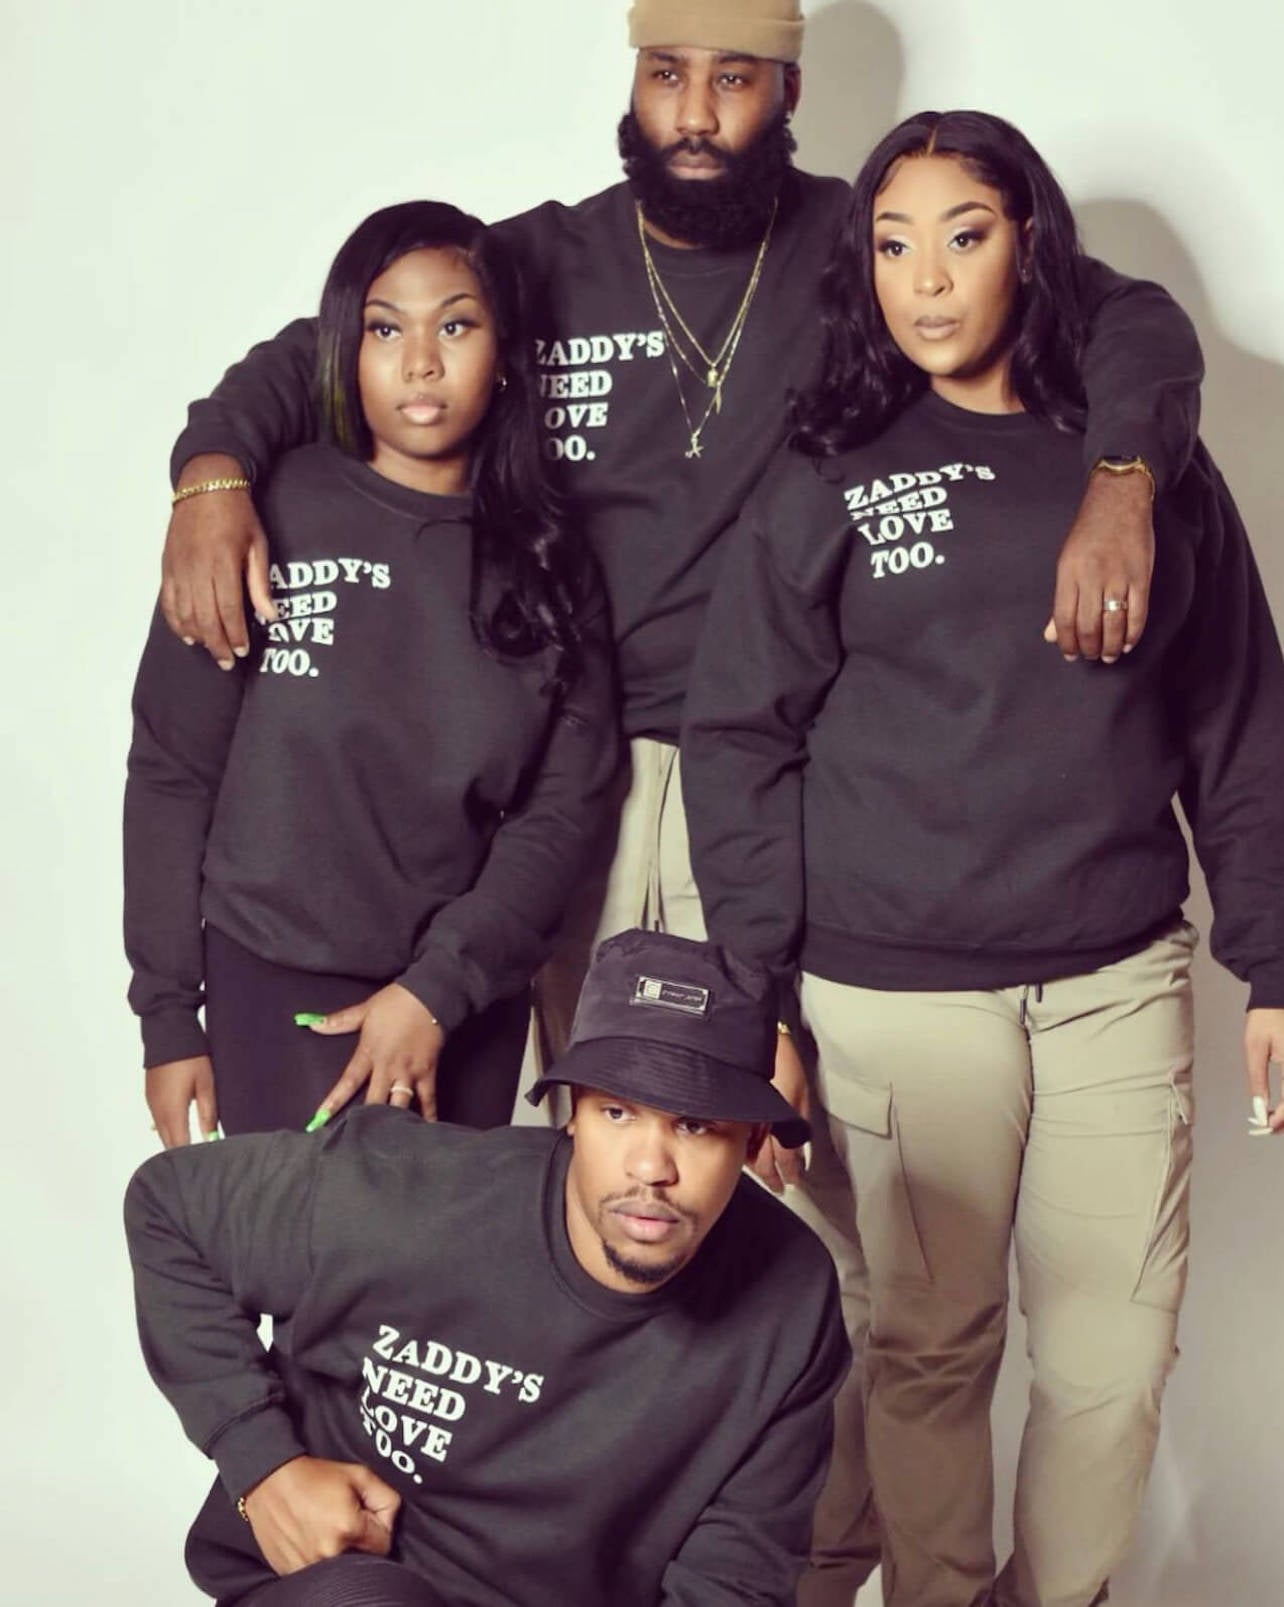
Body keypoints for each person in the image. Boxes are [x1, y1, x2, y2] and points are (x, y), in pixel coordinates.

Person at [150, 3, 1205, 1595]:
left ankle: (812, 1554)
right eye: (667, 75)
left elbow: (1126, 322)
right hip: (564, 779)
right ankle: (515, 1534)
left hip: (772, 772)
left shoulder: (876, 240)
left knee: (792, 1191)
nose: (698, 112)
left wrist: (1126, 478)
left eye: (734, 78)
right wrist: (214, 474)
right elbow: (330, 344)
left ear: (790, 92)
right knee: (573, 1169)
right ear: (629, 87)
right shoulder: (538, 263)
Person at [681, 108, 1284, 1607]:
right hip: (892, 997)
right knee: (926, 1352)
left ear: (1032, 247)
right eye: (892, 242)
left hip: (1111, 983)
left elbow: (1240, 721)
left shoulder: (1141, 464)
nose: (926, 279)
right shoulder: (828, 469)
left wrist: (1276, 955)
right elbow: (740, 734)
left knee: (1114, 1358)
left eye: (967, 234)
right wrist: (757, 988)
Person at [124, 928, 849, 1607]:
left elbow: (735, 1574)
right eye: (619, 1113)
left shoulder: (791, 1299)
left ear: (752, 1137)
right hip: (358, 1583)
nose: (650, 1168)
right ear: (573, 1111)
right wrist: (263, 1466)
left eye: (696, 1125)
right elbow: (168, 1207)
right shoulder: (406, 1193)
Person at [125, 201, 617, 1145]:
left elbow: (564, 813)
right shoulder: (267, 514)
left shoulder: (554, 562)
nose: (420, 362)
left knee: (439, 1282)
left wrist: (437, 990)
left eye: (457, 326)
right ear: (346, 348)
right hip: (265, 977)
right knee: (297, 1277)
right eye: (386, 328)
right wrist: (165, 1017)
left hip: (455, 995)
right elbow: (171, 769)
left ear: (506, 348)